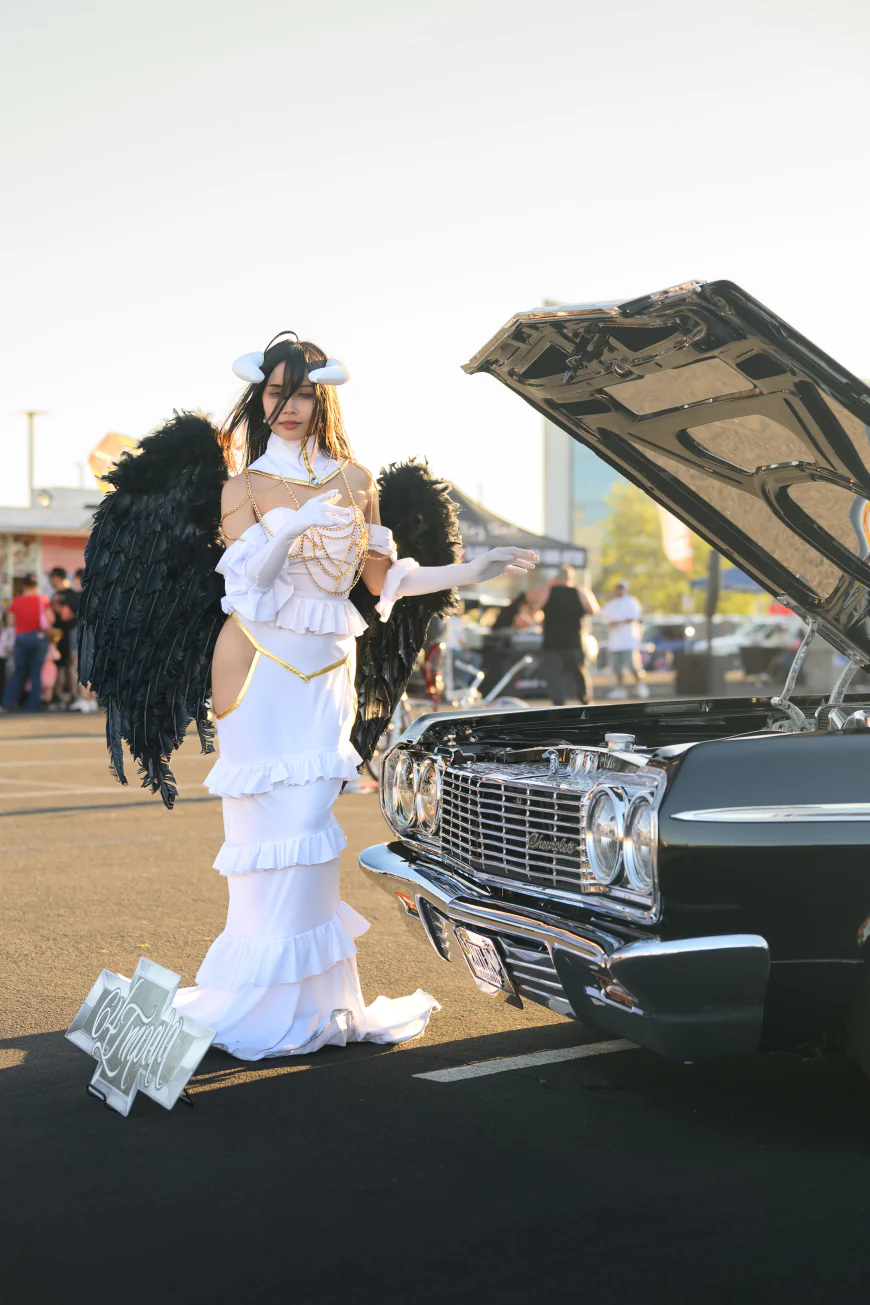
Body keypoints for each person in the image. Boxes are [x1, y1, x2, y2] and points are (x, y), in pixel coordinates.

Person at [79, 332, 537, 1061]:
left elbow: (383, 584)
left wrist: (470, 568)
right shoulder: (244, 486)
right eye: (274, 394)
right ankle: (250, 1000)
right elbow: (244, 586)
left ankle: (311, 1002)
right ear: (259, 399)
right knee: (264, 843)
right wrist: (288, 525)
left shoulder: (357, 481)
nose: (286, 408)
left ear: (320, 398)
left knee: (312, 834)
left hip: (328, 673)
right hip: (254, 664)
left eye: (299, 394)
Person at [541, 566, 599, 705]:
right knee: (579, 673)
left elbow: (535, 608)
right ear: (571, 578)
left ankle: (558, 705)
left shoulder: (547, 592)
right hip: (573, 641)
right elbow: (593, 610)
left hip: (552, 641)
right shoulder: (579, 592)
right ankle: (585, 701)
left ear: (556, 578)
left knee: (555, 675)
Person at [1, 574, 52, 713]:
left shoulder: (16, 602)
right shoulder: (42, 600)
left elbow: (10, 622)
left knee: (19, 671)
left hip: (22, 637)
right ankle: (33, 705)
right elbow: (50, 619)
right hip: (39, 637)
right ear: (35, 586)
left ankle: (8, 702)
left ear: (23, 586)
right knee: (36, 672)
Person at [599, 579, 649, 699]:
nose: (619, 590)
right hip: (616, 641)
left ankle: (641, 685)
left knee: (632, 665)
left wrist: (617, 622)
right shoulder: (612, 603)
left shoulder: (631, 601)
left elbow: (635, 617)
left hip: (628, 641)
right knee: (617, 667)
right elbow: (601, 614)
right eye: (617, 588)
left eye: (621, 588)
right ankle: (620, 689)